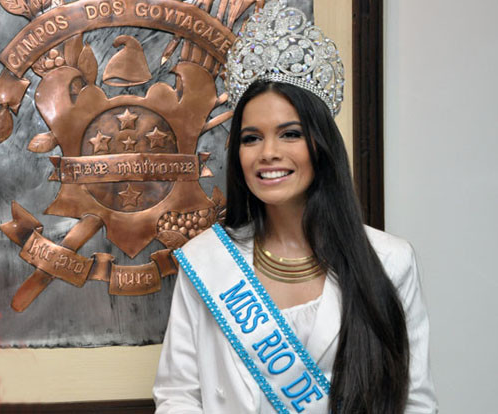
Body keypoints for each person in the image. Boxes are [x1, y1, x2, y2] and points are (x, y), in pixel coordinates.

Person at [153, 1, 437, 413]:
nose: (268, 153)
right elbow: (178, 397)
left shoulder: (390, 261)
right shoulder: (208, 262)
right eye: (251, 138)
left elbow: (415, 402)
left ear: (320, 145)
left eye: (289, 134)